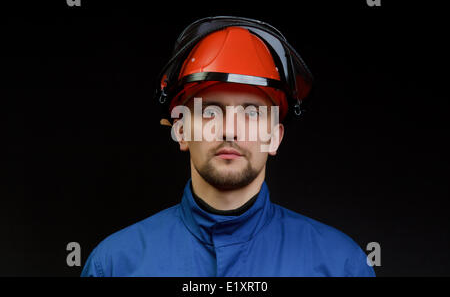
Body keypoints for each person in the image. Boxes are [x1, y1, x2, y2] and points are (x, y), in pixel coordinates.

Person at [81, 16, 375, 277]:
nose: (230, 130)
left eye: (250, 113)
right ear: (181, 131)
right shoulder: (115, 266)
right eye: (210, 111)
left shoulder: (340, 266)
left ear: (274, 136)